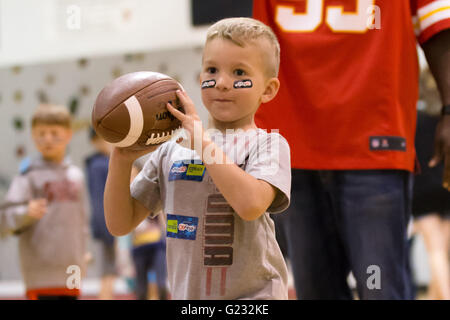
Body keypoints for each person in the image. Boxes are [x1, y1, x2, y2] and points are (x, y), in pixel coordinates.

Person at [252, 0, 450, 299]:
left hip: (373, 145)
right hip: (292, 147)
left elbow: (438, 26)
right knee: (317, 292)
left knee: (378, 289)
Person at [104, 17, 292, 299]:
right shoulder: (172, 150)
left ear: (268, 89)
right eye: (212, 70)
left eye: (239, 72)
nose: (223, 83)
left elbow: (250, 205)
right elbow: (120, 224)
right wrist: (120, 159)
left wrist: (204, 144)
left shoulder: (268, 144)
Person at [0, 104, 89, 300]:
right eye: (41, 133)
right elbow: (4, 219)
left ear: (68, 134)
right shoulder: (28, 176)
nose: (47, 138)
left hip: (72, 266)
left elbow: (82, 221)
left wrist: (83, 252)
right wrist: (25, 212)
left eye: (54, 132)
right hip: (39, 270)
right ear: (33, 135)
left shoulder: (77, 176)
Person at [413, 108, 450, 299]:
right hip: (446, 186)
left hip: (423, 190)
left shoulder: (415, 119)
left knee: (436, 251)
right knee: (442, 253)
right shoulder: (445, 120)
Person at [129, 164, 168, 300]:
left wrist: (167, 237)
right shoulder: (124, 197)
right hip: (138, 246)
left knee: (161, 284)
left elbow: (162, 216)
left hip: (157, 244)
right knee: (140, 289)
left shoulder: (149, 191)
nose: (131, 178)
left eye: (134, 174)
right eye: (128, 176)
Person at [85, 128, 117, 300]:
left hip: (110, 222)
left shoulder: (103, 162)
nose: (108, 143)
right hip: (107, 223)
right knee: (109, 266)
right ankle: (105, 296)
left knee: (112, 266)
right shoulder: (99, 165)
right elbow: (98, 200)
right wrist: (106, 227)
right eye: (103, 140)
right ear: (94, 141)